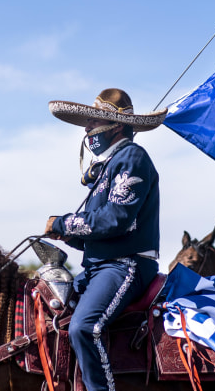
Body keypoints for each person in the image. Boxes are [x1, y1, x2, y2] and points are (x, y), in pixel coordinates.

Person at [44, 88, 166, 391]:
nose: (87, 129)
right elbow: (101, 232)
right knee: (53, 313)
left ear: (117, 126)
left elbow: (116, 219)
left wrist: (63, 222)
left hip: (126, 266)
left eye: (93, 123)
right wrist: (68, 236)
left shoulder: (133, 157)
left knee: (85, 327)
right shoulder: (108, 168)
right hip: (100, 266)